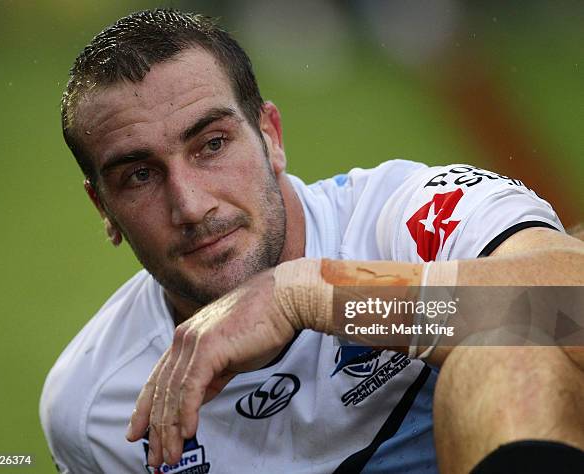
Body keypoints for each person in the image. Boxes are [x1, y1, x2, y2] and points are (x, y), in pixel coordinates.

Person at [40, 8, 584, 474]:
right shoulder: (90, 409)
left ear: (271, 137)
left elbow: (574, 309)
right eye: (139, 176)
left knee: (505, 353)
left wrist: (306, 294)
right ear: (104, 210)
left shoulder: (408, 215)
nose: (190, 205)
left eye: (211, 144)